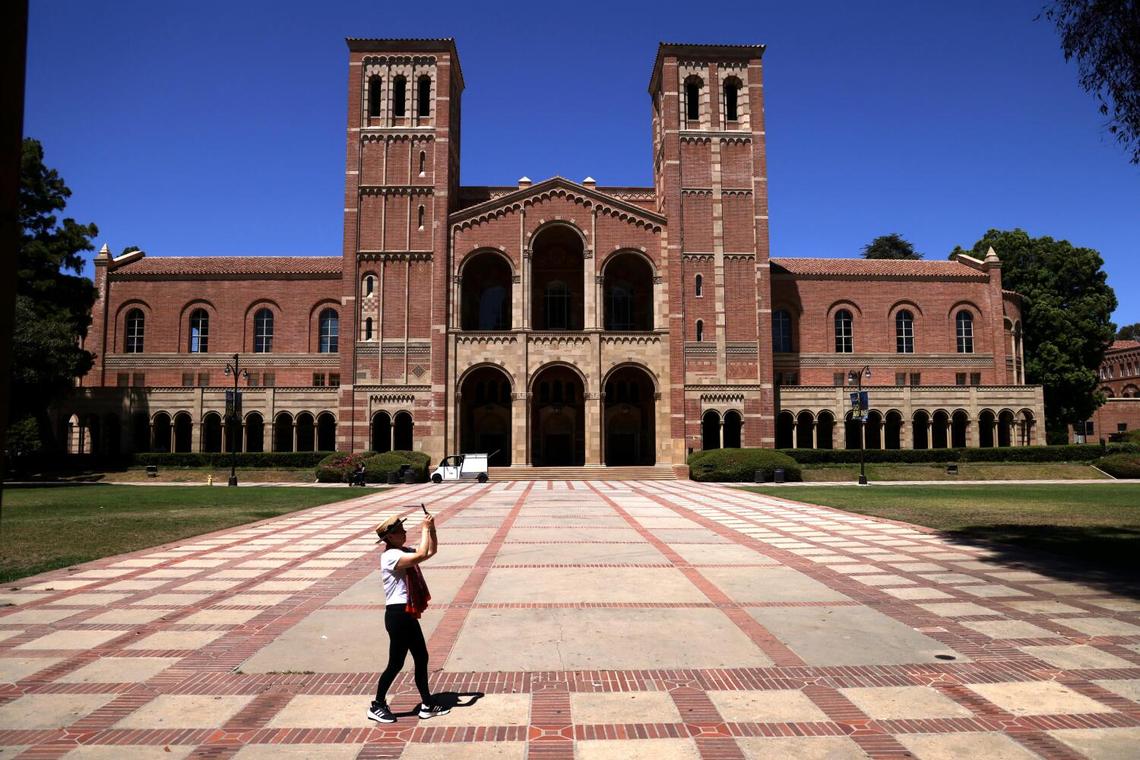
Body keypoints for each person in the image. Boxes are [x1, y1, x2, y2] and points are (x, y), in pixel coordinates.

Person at [368, 511, 449, 723]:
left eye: (403, 530)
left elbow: (430, 551)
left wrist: (431, 528)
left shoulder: (401, 551)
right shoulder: (391, 556)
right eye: (400, 531)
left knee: (421, 657)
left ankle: (427, 704)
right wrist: (423, 529)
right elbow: (421, 554)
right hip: (398, 615)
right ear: (390, 537)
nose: (404, 533)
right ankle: (377, 705)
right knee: (396, 663)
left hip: (406, 614)